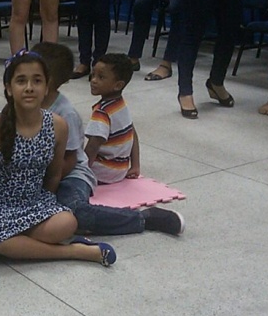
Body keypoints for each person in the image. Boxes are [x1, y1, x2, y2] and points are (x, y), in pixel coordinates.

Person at [0, 49, 117, 266]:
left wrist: (44, 206)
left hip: (33, 203)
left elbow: (53, 175)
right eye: (21, 81)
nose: (29, 87)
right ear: (9, 89)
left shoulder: (58, 125)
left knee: (67, 223)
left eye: (37, 81)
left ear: (46, 87)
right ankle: (74, 251)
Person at [34, 41, 185, 235]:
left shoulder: (66, 114)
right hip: (41, 173)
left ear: (47, 79)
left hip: (70, 174)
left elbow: (71, 160)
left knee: (74, 211)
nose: (25, 86)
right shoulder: (22, 105)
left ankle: (145, 218)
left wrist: (45, 189)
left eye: (32, 78)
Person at [84, 53, 139, 184]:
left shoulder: (102, 112)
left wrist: (80, 172)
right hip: (120, 170)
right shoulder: (121, 104)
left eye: (101, 77)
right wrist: (135, 165)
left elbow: (93, 145)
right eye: (93, 74)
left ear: (118, 85)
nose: (93, 80)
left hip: (102, 172)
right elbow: (132, 133)